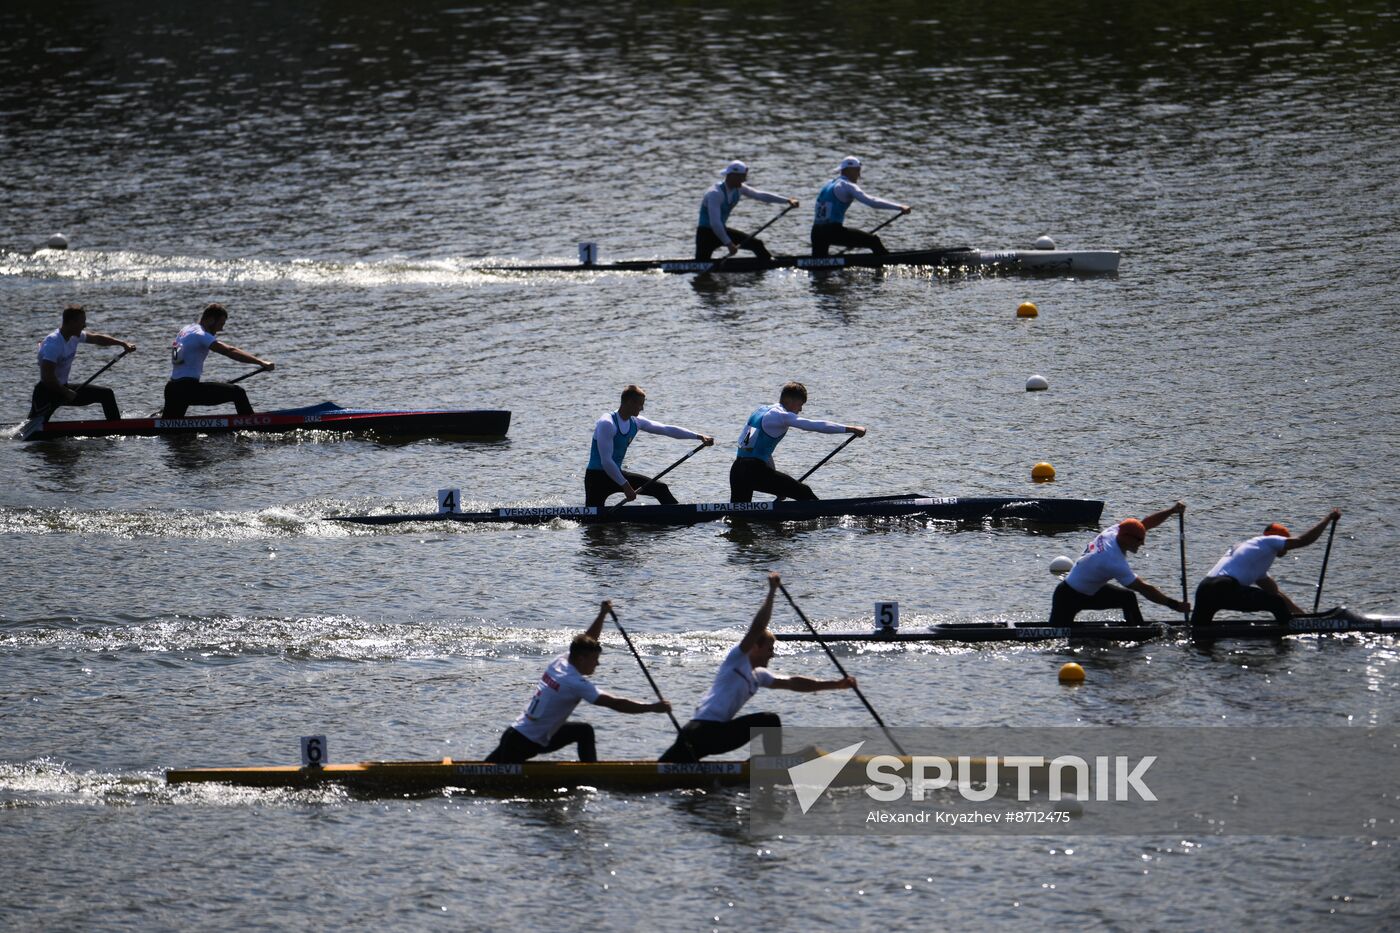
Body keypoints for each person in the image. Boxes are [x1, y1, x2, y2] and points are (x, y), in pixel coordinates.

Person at [658, 572, 855, 762]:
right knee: (769, 721)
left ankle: (757, 765)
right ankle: (770, 764)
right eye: (770, 649)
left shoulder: (758, 676)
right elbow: (758, 627)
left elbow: (794, 683)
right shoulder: (737, 658)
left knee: (663, 769)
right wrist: (772, 592)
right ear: (755, 647)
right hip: (703, 730)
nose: (773, 653)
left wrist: (837, 685)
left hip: (706, 735)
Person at [484, 600, 672, 763]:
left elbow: (587, 640)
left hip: (516, 735)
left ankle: (589, 773)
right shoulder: (574, 682)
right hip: (523, 743)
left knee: (583, 731)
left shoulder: (561, 661)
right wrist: (652, 707)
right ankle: (591, 778)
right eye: (595, 660)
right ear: (582, 659)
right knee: (484, 778)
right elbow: (614, 703)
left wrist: (602, 615)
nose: (597, 664)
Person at [1049, 502, 1191, 626]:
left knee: (1127, 598)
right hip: (1067, 598)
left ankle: (1136, 634)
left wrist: (1171, 511)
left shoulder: (1115, 531)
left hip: (1089, 590)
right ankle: (1138, 638)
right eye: (1139, 540)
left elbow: (1144, 524)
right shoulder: (1113, 559)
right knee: (1052, 635)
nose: (1143, 543)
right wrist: (1175, 605)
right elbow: (1144, 589)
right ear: (1127, 538)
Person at [1192, 509, 1342, 625]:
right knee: (1276, 605)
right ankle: (1290, 634)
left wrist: (1304, 616)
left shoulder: (1252, 553)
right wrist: (1328, 519)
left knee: (1199, 631)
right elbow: (1304, 540)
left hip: (1204, 589)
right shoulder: (1270, 541)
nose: (1286, 549)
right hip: (1224, 587)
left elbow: (1275, 593)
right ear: (1280, 539)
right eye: (1286, 543)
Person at [729, 382, 865, 503]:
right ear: (789, 400)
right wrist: (851, 429)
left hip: (737, 470)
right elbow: (815, 425)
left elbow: (760, 450)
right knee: (805, 492)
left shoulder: (760, 410)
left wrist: (778, 487)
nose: (800, 410)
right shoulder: (781, 415)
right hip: (754, 471)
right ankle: (828, 521)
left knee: (739, 513)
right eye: (800, 404)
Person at [585, 385, 714, 507]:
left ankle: (681, 518)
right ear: (630, 402)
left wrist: (698, 436)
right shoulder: (607, 423)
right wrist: (625, 486)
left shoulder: (636, 421)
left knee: (660, 489)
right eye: (640, 404)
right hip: (597, 478)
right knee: (592, 519)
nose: (642, 408)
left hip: (616, 474)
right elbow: (606, 461)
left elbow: (666, 429)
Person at [162, 304, 275, 418]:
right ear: (211, 320)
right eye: (221, 324)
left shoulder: (186, 330)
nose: (221, 329)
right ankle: (253, 424)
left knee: (169, 429)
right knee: (237, 392)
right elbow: (229, 351)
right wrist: (261, 362)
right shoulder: (201, 334)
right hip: (188, 389)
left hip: (172, 389)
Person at [29, 305, 136, 422]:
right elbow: (47, 377)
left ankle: (116, 427)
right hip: (47, 392)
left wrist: (122, 343)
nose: (84, 326)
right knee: (32, 429)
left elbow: (97, 339)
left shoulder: (74, 336)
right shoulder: (54, 343)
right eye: (82, 322)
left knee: (106, 395)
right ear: (71, 322)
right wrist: (65, 392)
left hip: (63, 388)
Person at [695, 160, 800, 261]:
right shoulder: (715, 193)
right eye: (742, 177)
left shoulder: (739, 188)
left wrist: (787, 200)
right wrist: (729, 244)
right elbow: (715, 223)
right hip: (706, 234)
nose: (744, 180)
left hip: (721, 230)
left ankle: (768, 266)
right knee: (700, 264)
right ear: (732, 176)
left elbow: (760, 195)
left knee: (756, 244)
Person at [810, 156, 911, 257]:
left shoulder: (828, 184)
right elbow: (872, 201)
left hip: (816, 233)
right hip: (833, 231)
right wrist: (899, 207)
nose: (859, 175)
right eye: (858, 171)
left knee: (818, 264)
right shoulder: (847, 185)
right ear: (849, 170)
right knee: (873, 241)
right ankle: (888, 263)